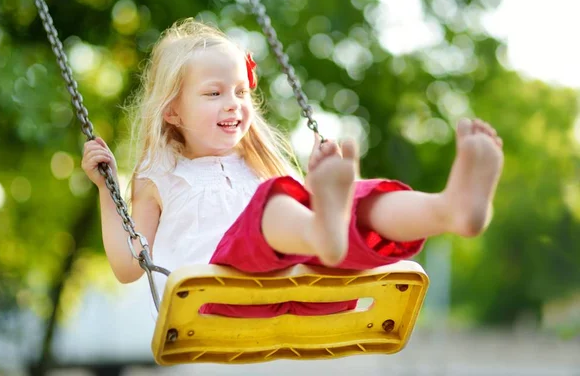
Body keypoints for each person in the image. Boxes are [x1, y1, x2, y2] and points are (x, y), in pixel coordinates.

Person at [81, 19, 504, 318]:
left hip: (306, 290)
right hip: (220, 299)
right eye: (214, 93)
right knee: (274, 206)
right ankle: (324, 230)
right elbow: (128, 266)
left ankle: (450, 209)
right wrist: (107, 189)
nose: (233, 103)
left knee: (355, 205)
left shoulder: (256, 162)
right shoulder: (161, 172)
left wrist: (328, 202)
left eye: (241, 92)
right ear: (172, 111)